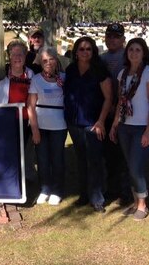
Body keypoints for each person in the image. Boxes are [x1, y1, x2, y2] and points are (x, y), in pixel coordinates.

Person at [109, 38, 149, 221]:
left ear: (144, 53)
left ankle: (142, 204)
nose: (134, 53)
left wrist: (148, 130)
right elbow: (120, 102)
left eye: (138, 50)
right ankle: (134, 201)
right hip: (125, 126)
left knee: (136, 167)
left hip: (142, 128)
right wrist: (115, 124)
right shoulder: (122, 73)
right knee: (129, 165)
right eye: (131, 50)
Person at [0, 40, 37, 196]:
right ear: (9, 56)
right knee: (3, 152)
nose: (17, 57)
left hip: (24, 120)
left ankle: (17, 183)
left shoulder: (31, 74)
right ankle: (1, 183)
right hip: (4, 120)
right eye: (14, 54)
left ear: (26, 56)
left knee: (20, 153)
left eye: (21, 54)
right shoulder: (1, 74)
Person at [64, 36, 112, 213]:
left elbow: (108, 98)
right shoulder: (70, 70)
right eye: (82, 49)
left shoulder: (100, 71)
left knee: (95, 161)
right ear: (76, 52)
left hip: (93, 123)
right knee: (81, 160)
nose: (85, 52)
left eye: (88, 49)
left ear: (93, 52)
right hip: (74, 123)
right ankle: (84, 195)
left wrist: (101, 121)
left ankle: (97, 198)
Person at [27, 46, 67, 206]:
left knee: (57, 158)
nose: (48, 63)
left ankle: (57, 190)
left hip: (59, 125)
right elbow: (31, 105)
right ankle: (45, 188)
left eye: (51, 59)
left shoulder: (64, 78)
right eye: (45, 60)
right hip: (41, 125)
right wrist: (35, 129)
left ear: (56, 60)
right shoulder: (36, 79)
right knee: (42, 159)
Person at [100, 22, 133, 206]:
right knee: (108, 153)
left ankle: (125, 191)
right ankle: (111, 188)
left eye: (116, 36)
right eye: (109, 36)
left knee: (124, 154)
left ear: (123, 39)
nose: (112, 39)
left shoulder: (128, 57)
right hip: (106, 111)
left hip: (125, 113)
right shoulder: (102, 59)